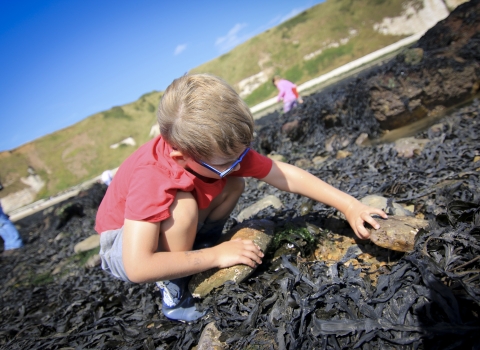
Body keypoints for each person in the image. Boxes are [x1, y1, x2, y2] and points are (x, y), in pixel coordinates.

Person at [95, 73, 387, 323]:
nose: (236, 165)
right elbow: (137, 267)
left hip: (162, 229)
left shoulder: (219, 155)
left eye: (241, 155)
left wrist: (349, 204)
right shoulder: (153, 175)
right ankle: (174, 291)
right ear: (180, 156)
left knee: (234, 184)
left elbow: (284, 175)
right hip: (122, 244)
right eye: (224, 162)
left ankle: (200, 247)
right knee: (183, 206)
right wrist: (217, 257)